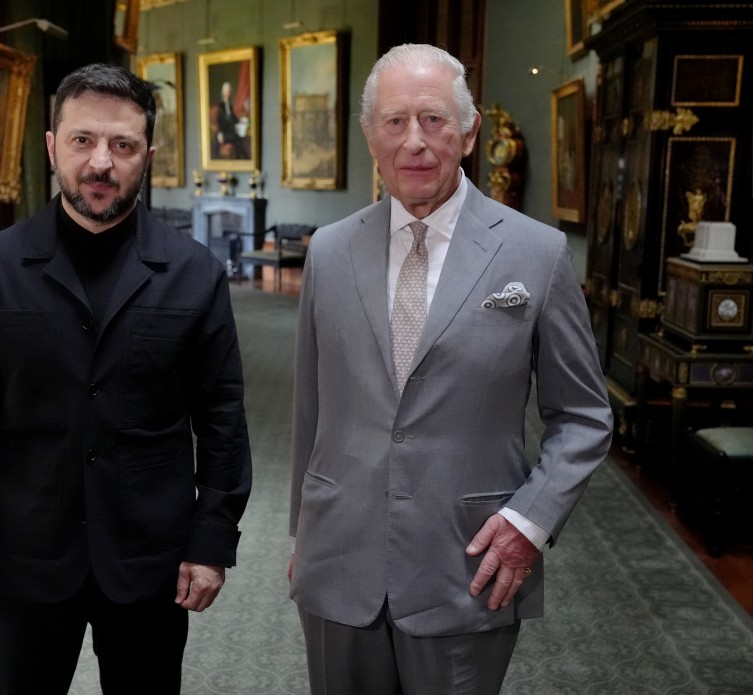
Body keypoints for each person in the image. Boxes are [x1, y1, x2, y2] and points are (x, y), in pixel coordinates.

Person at [288, 44, 613, 694]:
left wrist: (529, 522)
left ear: (467, 133)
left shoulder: (537, 253)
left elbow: (583, 416)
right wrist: (303, 532)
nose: (414, 140)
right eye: (394, 121)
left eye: (433, 119)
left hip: (468, 566)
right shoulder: (328, 252)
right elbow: (310, 410)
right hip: (337, 561)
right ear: (370, 136)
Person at [0, 63, 252, 694]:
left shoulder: (194, 273)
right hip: (25, 556)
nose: (101, 162)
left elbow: (222, 419)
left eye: (122, 145)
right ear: (52, 147)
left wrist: (212, 540)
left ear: (147, 156)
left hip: (151, 559)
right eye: (82, 140)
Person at [215, 81, 244, 159]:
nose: (227, 93)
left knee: (239, 138)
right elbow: (219, 121)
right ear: (223, 93)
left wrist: (239, 121)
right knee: (238, 137)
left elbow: (232, 117)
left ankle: (240, 159)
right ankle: (242, 158)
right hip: (223, 133)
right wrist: (219, 133)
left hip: (230, 131)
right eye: (226, 91)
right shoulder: (220, 106)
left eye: (229, 91)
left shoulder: (229, 105)